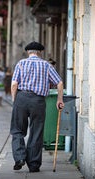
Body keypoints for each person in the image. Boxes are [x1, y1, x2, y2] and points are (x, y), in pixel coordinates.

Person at [10, 41, 64, 172]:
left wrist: (14, 101)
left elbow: (14, 84)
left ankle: (19, 157)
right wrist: (59, 99)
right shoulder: (46, 65)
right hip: (38, 101)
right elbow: (59, 83)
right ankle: (33, 165)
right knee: (36, 132)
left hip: (21, 98)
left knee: (17, 129)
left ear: (28, 52)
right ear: (40, 53)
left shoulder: (21, 63)